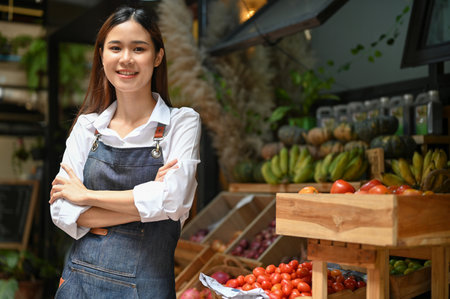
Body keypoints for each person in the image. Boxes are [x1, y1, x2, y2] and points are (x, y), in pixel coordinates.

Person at [49, 5, 201, 298]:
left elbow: (175, 200)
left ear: (157, 56)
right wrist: (148, 203)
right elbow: (61, 209)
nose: (126, 59)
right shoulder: (87, 127)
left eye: (139, 48)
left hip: (146, 288)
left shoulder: (181, 122)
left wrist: (88, 197)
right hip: (78, 283)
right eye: (115, 48)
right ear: (102, 56)